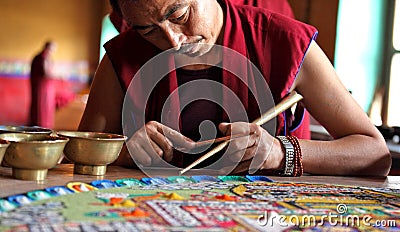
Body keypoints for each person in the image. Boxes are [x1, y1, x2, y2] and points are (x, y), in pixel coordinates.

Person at [79, 0, 392, 176]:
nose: (173, 41)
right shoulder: (123, 54)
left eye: (180, 15)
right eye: (148, 29)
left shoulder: (283, 41)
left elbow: (375, 153)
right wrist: (125, 151)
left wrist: (279, 153)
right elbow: (78, 151)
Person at [29, 41, 58, 129]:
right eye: (53, 49)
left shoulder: (46, 58)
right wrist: (58, 76)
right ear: (48, 48)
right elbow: (46, 73)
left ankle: (43, 127)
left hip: (46, 88)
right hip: (41, 88)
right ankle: (39, 127)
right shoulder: (41, 58)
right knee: (40, 108)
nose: (53, 51)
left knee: (45, 108)